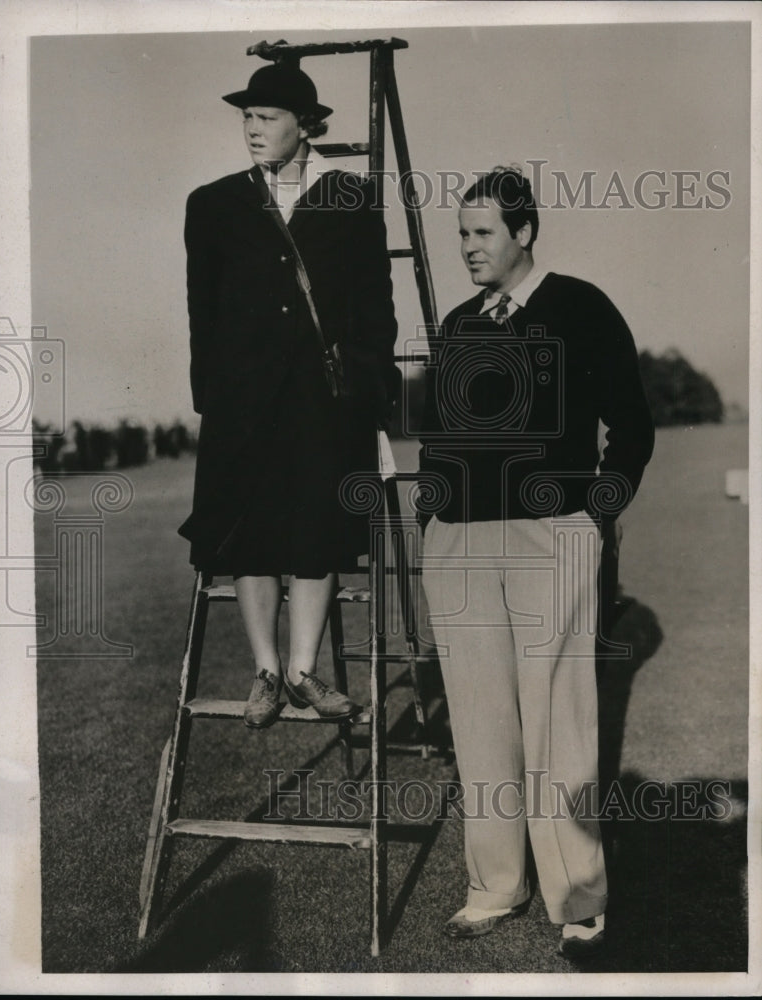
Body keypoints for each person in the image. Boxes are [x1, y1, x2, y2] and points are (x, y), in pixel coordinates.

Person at [418, 165, 654, 959]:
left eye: (482, 232)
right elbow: (444, 438)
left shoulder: (580, 306)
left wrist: (596, 510)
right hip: (459, 542)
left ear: (524, 232)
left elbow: (630, 423)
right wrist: (432, 519)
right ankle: (494, 885)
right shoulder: (456, 321)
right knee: (479, 719)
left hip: (549, 534)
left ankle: (577, 897)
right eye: (461, 233)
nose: (468, 247)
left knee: (558, 719)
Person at [179, 62, 398, 728]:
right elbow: (202, 311)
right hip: (241, 402)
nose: (252, 128)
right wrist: (212, 398)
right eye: (246, 116)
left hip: (322, 401)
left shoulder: (350, 200)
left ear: (306, 127)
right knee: (246, 534)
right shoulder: (212, 203)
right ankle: (266, 672)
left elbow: (374, 310)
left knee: (317, 531)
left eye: (267, 117)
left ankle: (304, 671)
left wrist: (366, 394)